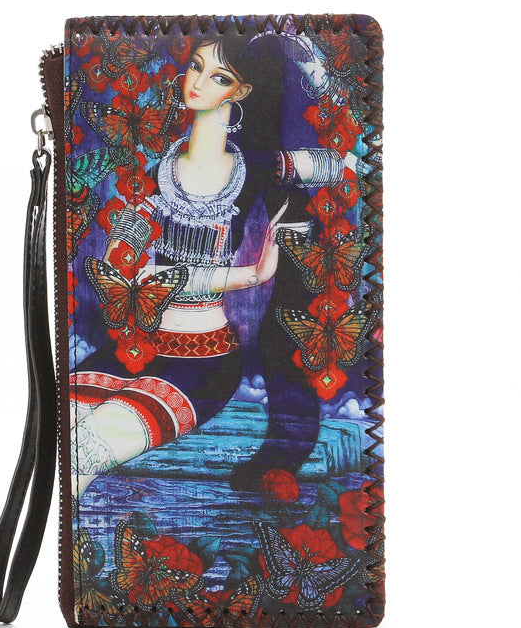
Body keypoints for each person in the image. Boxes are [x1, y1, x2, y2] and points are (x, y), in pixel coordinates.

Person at [70, 31, 351, 498]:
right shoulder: (156, 169)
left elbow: (353, 160)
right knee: (61, 443)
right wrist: (246, 276)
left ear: (241, 91)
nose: (198, 82)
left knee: (85, 450)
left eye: (219, 77)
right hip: (136, 349)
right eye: (196, 66)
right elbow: (120, 269)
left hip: (202, 363)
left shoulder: (258, 167)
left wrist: (316, 70)